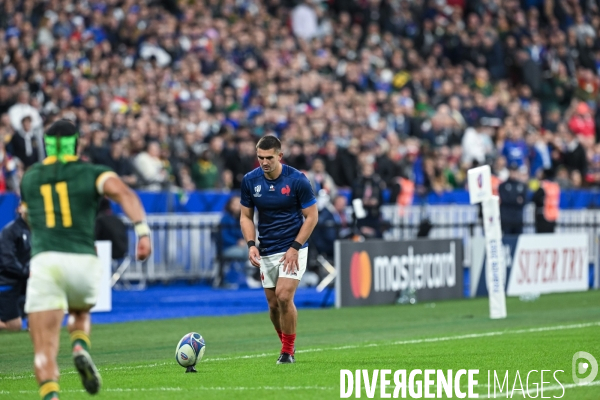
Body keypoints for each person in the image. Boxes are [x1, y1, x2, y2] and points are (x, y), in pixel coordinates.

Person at [19, 119, 151, 400]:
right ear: (77, 144)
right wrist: (142, 233)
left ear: (46, 146)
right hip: (83, 259)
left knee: (44, 350)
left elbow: (27, 215)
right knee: (79, 311)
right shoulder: (93, 173)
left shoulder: (29, 177)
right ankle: (80, 345)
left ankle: (51, 396)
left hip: (46, 261)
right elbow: (125, 194)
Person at [240, 136, 318, 364]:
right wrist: (251, 245)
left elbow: (312, 217)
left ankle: (287, 351)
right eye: (260, 157)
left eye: (269, 158)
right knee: (273, 304)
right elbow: (245, 216)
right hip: (267, 248)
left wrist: (295, 247)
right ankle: (285, 345)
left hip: (293, 246)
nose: (264, 162)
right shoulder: (249, 181)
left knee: (284, 296)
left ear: (280, 156)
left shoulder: (297, 180)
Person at [0, 204, 31, 331]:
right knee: (14, 326)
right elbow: (7, 261)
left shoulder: (39, 231)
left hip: (27, 282)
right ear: (19, 209)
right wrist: (27, 272)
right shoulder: (10, 230)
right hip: (8, 282)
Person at [498, 164, 527, 235]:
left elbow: (525, 200)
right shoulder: (503, 186)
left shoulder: (522, 185)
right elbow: (505, 199)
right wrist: (516, 200)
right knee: (507, 240)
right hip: (507, 219)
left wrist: (512, 198)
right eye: (512, 171)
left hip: (518, 219)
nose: (513, 173)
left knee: (518, 240)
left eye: (515, 171)